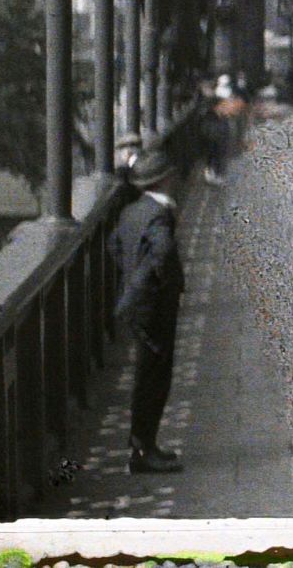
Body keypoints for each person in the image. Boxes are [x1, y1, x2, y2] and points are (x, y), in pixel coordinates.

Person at [111, 143, 186, 474]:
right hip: (154, 307)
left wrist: (130, 276)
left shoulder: (132, 210)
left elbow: (114, 245)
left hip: (138, 306)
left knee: (145, 375)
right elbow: (163, 251)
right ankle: (144, 450)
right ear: (165, 179)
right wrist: (158, 283)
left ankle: (143, 446)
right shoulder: (160, 215)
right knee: (156, 377)